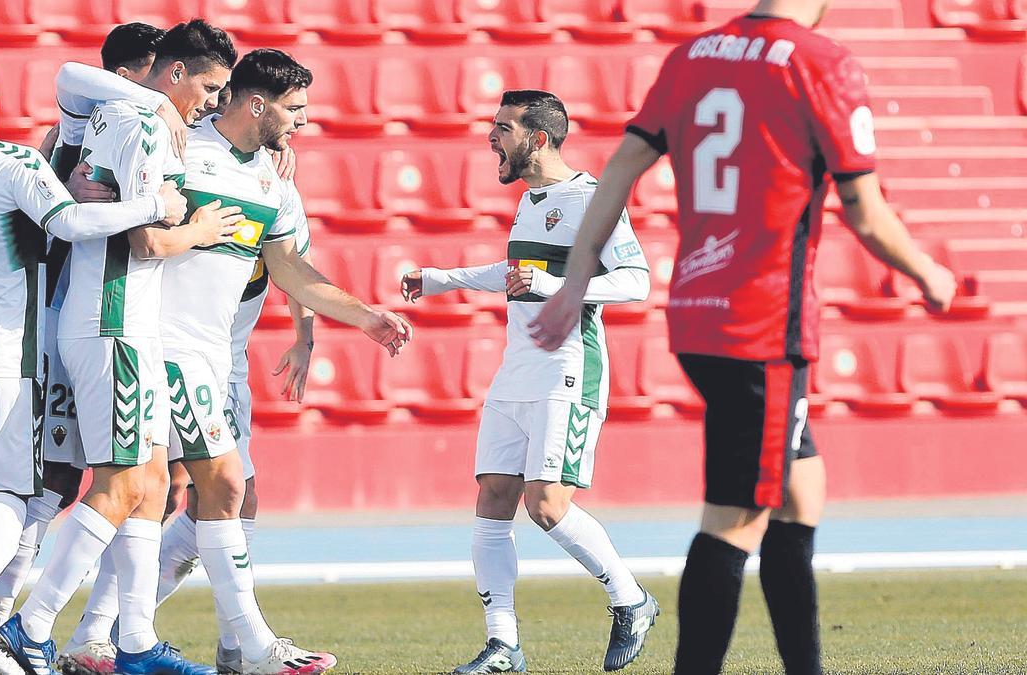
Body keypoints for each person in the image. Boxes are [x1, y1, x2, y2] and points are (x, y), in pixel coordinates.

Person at [528, 1, 959, 672]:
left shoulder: (691, 57)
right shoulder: (821, 62)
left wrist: (579, 276)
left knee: (799, 490)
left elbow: (619, 168)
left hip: (698, 313)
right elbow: (866, 213)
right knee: (737, 515)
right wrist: (930, 272)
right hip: (762, 326)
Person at [0, 54, 187, 675]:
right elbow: (73, 223)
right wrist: (150, 203)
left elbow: (12, 226)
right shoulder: (16, 161)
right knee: (7, 491)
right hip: (3, 360)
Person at [0, 19, 243, 675]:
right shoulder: (149, 123)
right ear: (177, 73)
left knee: (154, 481)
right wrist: (199, 227)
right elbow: (148, 241)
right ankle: (31, 622)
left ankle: (134, 641)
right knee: (118, 483)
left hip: (116, 323)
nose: (212, 103)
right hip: (115, 323)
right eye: (210, 87)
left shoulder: (110, 116)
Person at [162, 47, 414, 675]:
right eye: (294, 108)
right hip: (158, 348)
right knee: (199, 490)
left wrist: (363, 317)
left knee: (191, 496)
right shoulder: (179, 149)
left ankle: (101, 634)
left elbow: (291, 269)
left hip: (216, 359)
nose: (302, 121)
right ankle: (246, 646)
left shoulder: (268, 180)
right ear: (256, 104)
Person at [401, 90, 658, 674]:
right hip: (516, 370)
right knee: (493, 498)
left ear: (536, 139)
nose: (492, 138)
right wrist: (443, 279)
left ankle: (631, 598)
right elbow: (520, 273)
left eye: (503, 128)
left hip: (568, 368)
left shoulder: (595, 200)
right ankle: (503, 646)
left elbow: (636, 281)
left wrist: (558, 290)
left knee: (546, 506)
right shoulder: (533, 200)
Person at [0, 24, 172, 672]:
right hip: (61, 321)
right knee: (62, 483)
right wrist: (159, 105)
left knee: (109, 480)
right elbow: (68, 76)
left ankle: (71, 632)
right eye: (154, 74)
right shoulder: (84, 123)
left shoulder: (103, 131)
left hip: (67, 319)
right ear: (132, 73)